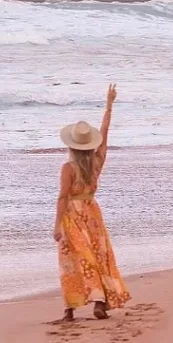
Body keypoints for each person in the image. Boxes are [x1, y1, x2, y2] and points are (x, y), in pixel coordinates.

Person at [53, 82, 130, 321]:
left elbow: (63, 196)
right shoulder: (97, 162)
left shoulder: (68, 167)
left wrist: (57, 225)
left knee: (71, 259)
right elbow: (105, 134)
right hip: (92, 212)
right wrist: (109, 105)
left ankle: (70, 309)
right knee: (96, 255)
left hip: (73, 215)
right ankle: (99, 300)